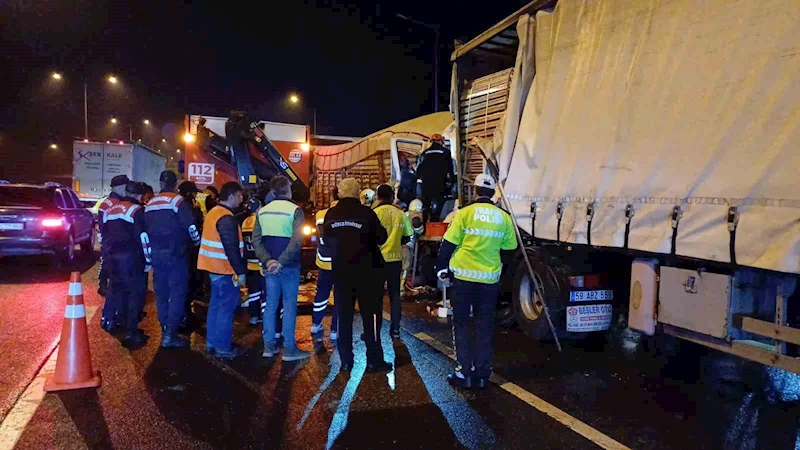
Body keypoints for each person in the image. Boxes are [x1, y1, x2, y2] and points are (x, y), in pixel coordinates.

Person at [436, 174, 518, 390]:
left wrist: (442, 269)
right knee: (484, 326)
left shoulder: (464, 214)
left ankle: (464, 372)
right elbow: (510, 248)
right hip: (489, 281)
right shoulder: (504, 217)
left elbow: (448, 244)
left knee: (462, 324)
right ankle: (482, 374)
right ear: (493, 194)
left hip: (463, 279)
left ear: (475, 191)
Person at [323, 177, 391, 374]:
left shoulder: (331, 214)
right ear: (358, 193)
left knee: (344, 317)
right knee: (371, 317)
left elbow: (326, 241)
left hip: (342, 273)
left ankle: (346, 362)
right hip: (368, 273)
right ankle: (374, 360)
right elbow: (382, 237)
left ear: (340, 193)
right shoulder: (366, 213)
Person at [253, 176, 310, 361]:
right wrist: (281, 262)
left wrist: (268, 261)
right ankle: (289, 349)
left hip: (270, 268)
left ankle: (269, 346)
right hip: (289, 266)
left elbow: (256, 240)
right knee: (289, 305)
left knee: (270, 305)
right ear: (287, 189)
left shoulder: (262, 212)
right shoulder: (295, 211)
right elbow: (296, 241)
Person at [145, 170, 200, 348]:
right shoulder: (178, 201)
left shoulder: (150, 203)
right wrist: (197, 244)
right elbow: (191, 227)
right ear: (175, 184)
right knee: (177, 294)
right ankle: (170, 334)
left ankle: (164, 330)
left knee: (161, 295)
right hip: (176, 255)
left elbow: (145, 231)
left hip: (157, 255)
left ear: (161, 183)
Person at [198, 182, 247, 359]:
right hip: (224, 269)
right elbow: (231, 247)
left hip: (213, 268)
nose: (242, 199)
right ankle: (223, 347)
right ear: (232, 195)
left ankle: (212, 341)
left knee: (216, 306)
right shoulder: (226, 217)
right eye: (240, 196)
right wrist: (240, 271)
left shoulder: (214, 213)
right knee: (226, 308)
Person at [103, 181, 151, 347]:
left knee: (118, 290)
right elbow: (143, 238)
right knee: (134, 294)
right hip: (131, 259)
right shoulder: (137, 210)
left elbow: (104, 234)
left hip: (112, 257)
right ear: (139, 195)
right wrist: (148, 261)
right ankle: (131, 331)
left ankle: (117, 322)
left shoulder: (111, 209)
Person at [373, 184, 413, 338]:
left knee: (376, 297)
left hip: (377, 260)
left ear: (378, 197)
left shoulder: (374, 213)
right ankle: (395, 329)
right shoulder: (400, 214)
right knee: (395, 295)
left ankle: (376, 330)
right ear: (392, 197)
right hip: (395, 259)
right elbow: (408, 236)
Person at [98, 174, 129, 329]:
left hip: (108, 245)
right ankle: (113, 316)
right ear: (121, 187)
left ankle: (110, 314)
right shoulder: (118, 204)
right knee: (118, 283)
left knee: (113, 279)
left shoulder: (105, 203)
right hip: (117, 247)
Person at [311, 187, 340, 348]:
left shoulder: (320, 214)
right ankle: (335, 330)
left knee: (321, 294)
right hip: (341, 262)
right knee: (340, 296)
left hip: (324, 260)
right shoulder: (346, 215)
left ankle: (316, 324)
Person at [415, 133, 454, 222]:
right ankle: (435, 224)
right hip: (440, 185)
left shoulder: (424, 153)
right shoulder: (445, 152)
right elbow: (450, 170)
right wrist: (451, 183)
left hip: (426, 186)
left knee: (426, 207)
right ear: (441, 141)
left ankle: (425, 225)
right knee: (438, 207)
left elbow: (419, 170)